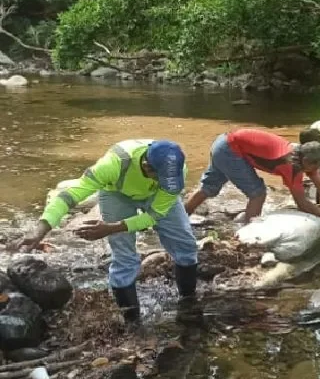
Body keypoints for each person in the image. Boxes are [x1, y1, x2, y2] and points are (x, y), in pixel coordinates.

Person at [16, 140, 197, 326]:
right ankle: (133, 324)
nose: (165, 183)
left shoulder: (176, 173)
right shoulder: (114, 164)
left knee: (186, 245)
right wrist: (41, 229)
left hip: (155, 199)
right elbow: (70, 195)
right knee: (124, 258)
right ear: (147, 167)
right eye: (161, 178)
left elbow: (153, 217)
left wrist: (110, 228)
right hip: (116, 194)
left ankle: (189, 303)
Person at [184, 129, 320, 229]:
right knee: (258, 193)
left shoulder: (301, 153)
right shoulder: (290, 165)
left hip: (223, 142)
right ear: (306, 162)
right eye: (315, 167)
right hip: (230, 149)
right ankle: (248, 235)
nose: (316, 172)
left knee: (209, 188)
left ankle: (182, 218)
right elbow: (302, 203)